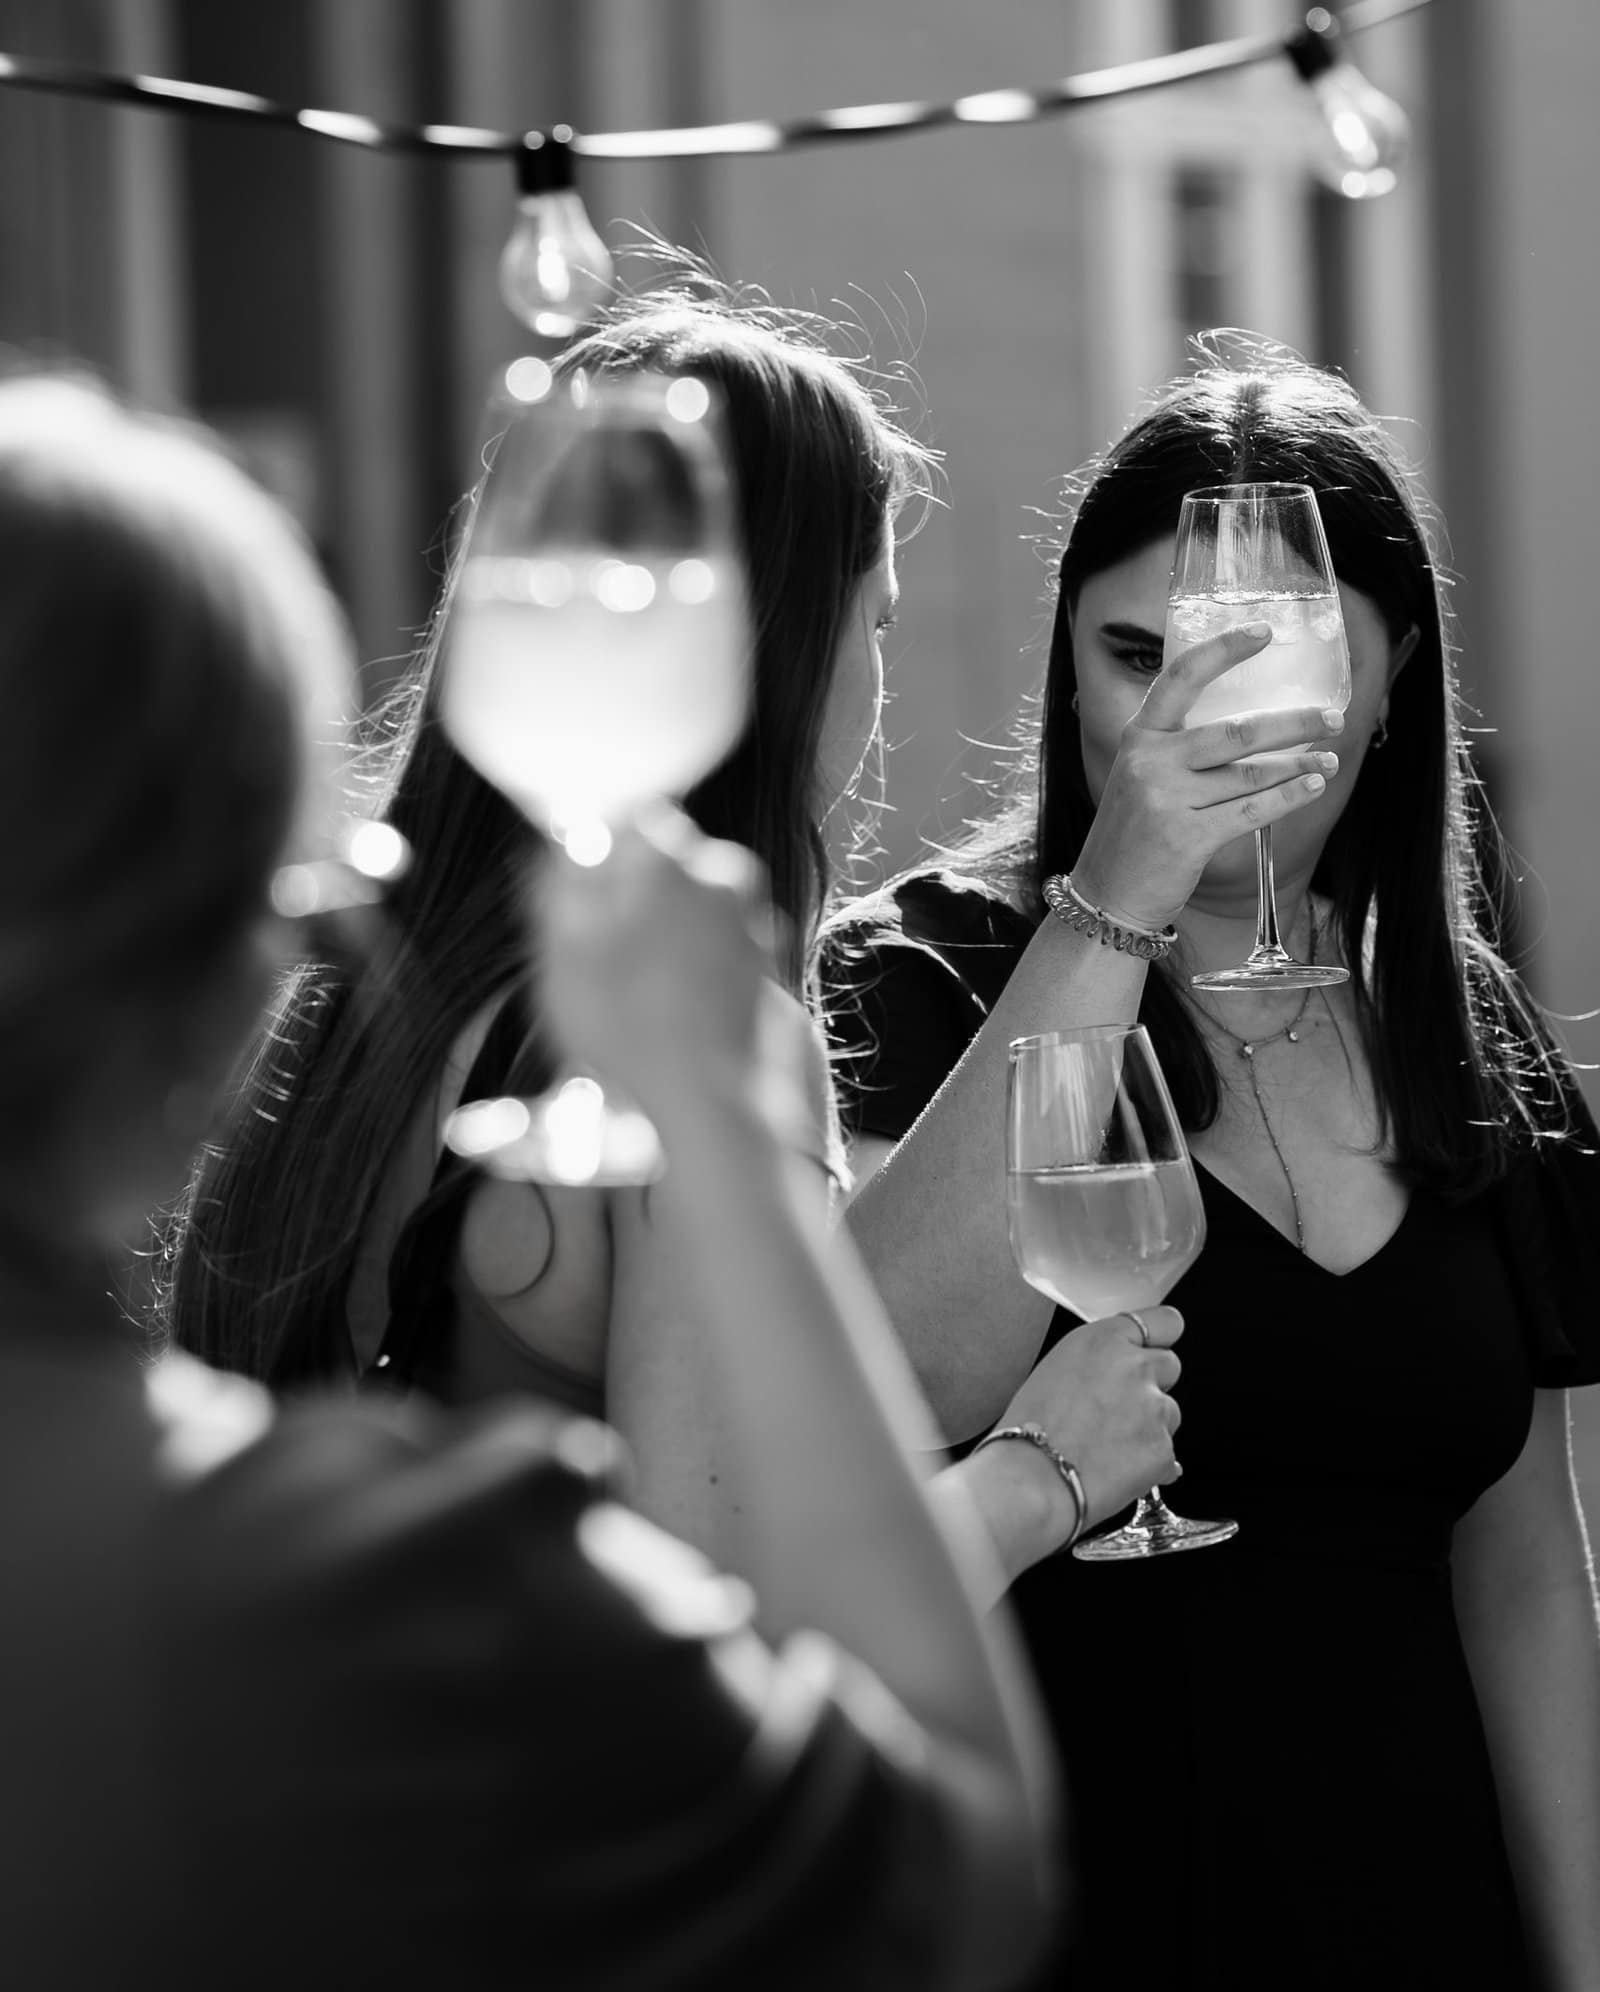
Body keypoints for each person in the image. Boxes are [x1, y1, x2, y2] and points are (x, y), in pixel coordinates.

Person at [0, 368, 1066, 1989]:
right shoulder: (400, 1583)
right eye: (881, 619)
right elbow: (949, 1866)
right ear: (213, 976)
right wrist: (733, 1135)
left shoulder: (377, 1023)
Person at [166, 274, 1183, 1592]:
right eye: (873, 623)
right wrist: (1044, 1471)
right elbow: (731, 1613)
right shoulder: (690, 1032)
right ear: (786, 637)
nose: (878, 686)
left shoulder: (347, 977)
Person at [823, 337, 1600, 1991]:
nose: (1191, 713)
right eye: (1133, 655)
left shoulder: (1456, 1023)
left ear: (1392, 687)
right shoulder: (924, 973)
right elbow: (879, 1376)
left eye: (1273, 658)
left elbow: (1523, 1567)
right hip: (1059, 1915)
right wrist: (1121, 894)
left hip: (1416, 1914)